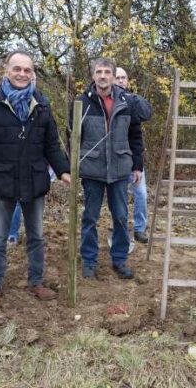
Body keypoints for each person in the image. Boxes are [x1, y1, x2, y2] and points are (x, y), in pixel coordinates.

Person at [0, 50, 71, 309]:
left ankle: (36, 281)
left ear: (32, 73)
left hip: (34, 182)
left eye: (27, 70)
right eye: (17, 69)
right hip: (1, 183)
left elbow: (51, 146)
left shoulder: (42, 105)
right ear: (6, 71)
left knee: (36, 236)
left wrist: (63, 171)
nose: (22, 74)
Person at [74, 58, 151, 280]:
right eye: (99, 72)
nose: (103, 76)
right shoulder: (82, 103)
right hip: (92, 170)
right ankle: (89, 260)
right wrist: (74, 164)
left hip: (119, 168)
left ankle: (119, 259)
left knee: (120, 216)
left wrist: (137, 165)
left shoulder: (126, 102)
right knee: (90, 217)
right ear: (93, 76)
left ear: (114, 76)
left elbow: (136, 134)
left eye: (107, 72)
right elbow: (73, 137)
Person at [114, 67, 149, 244]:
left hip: (132, 158)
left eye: (123, 78)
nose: (120, 81)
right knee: (118, 197)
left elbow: (136, 137)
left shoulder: (133, 103)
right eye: (117, 78)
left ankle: (140, 228)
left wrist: (137, 166)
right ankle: (120, 230)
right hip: (114, 161)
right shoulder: (107, 103)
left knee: (141, 193)